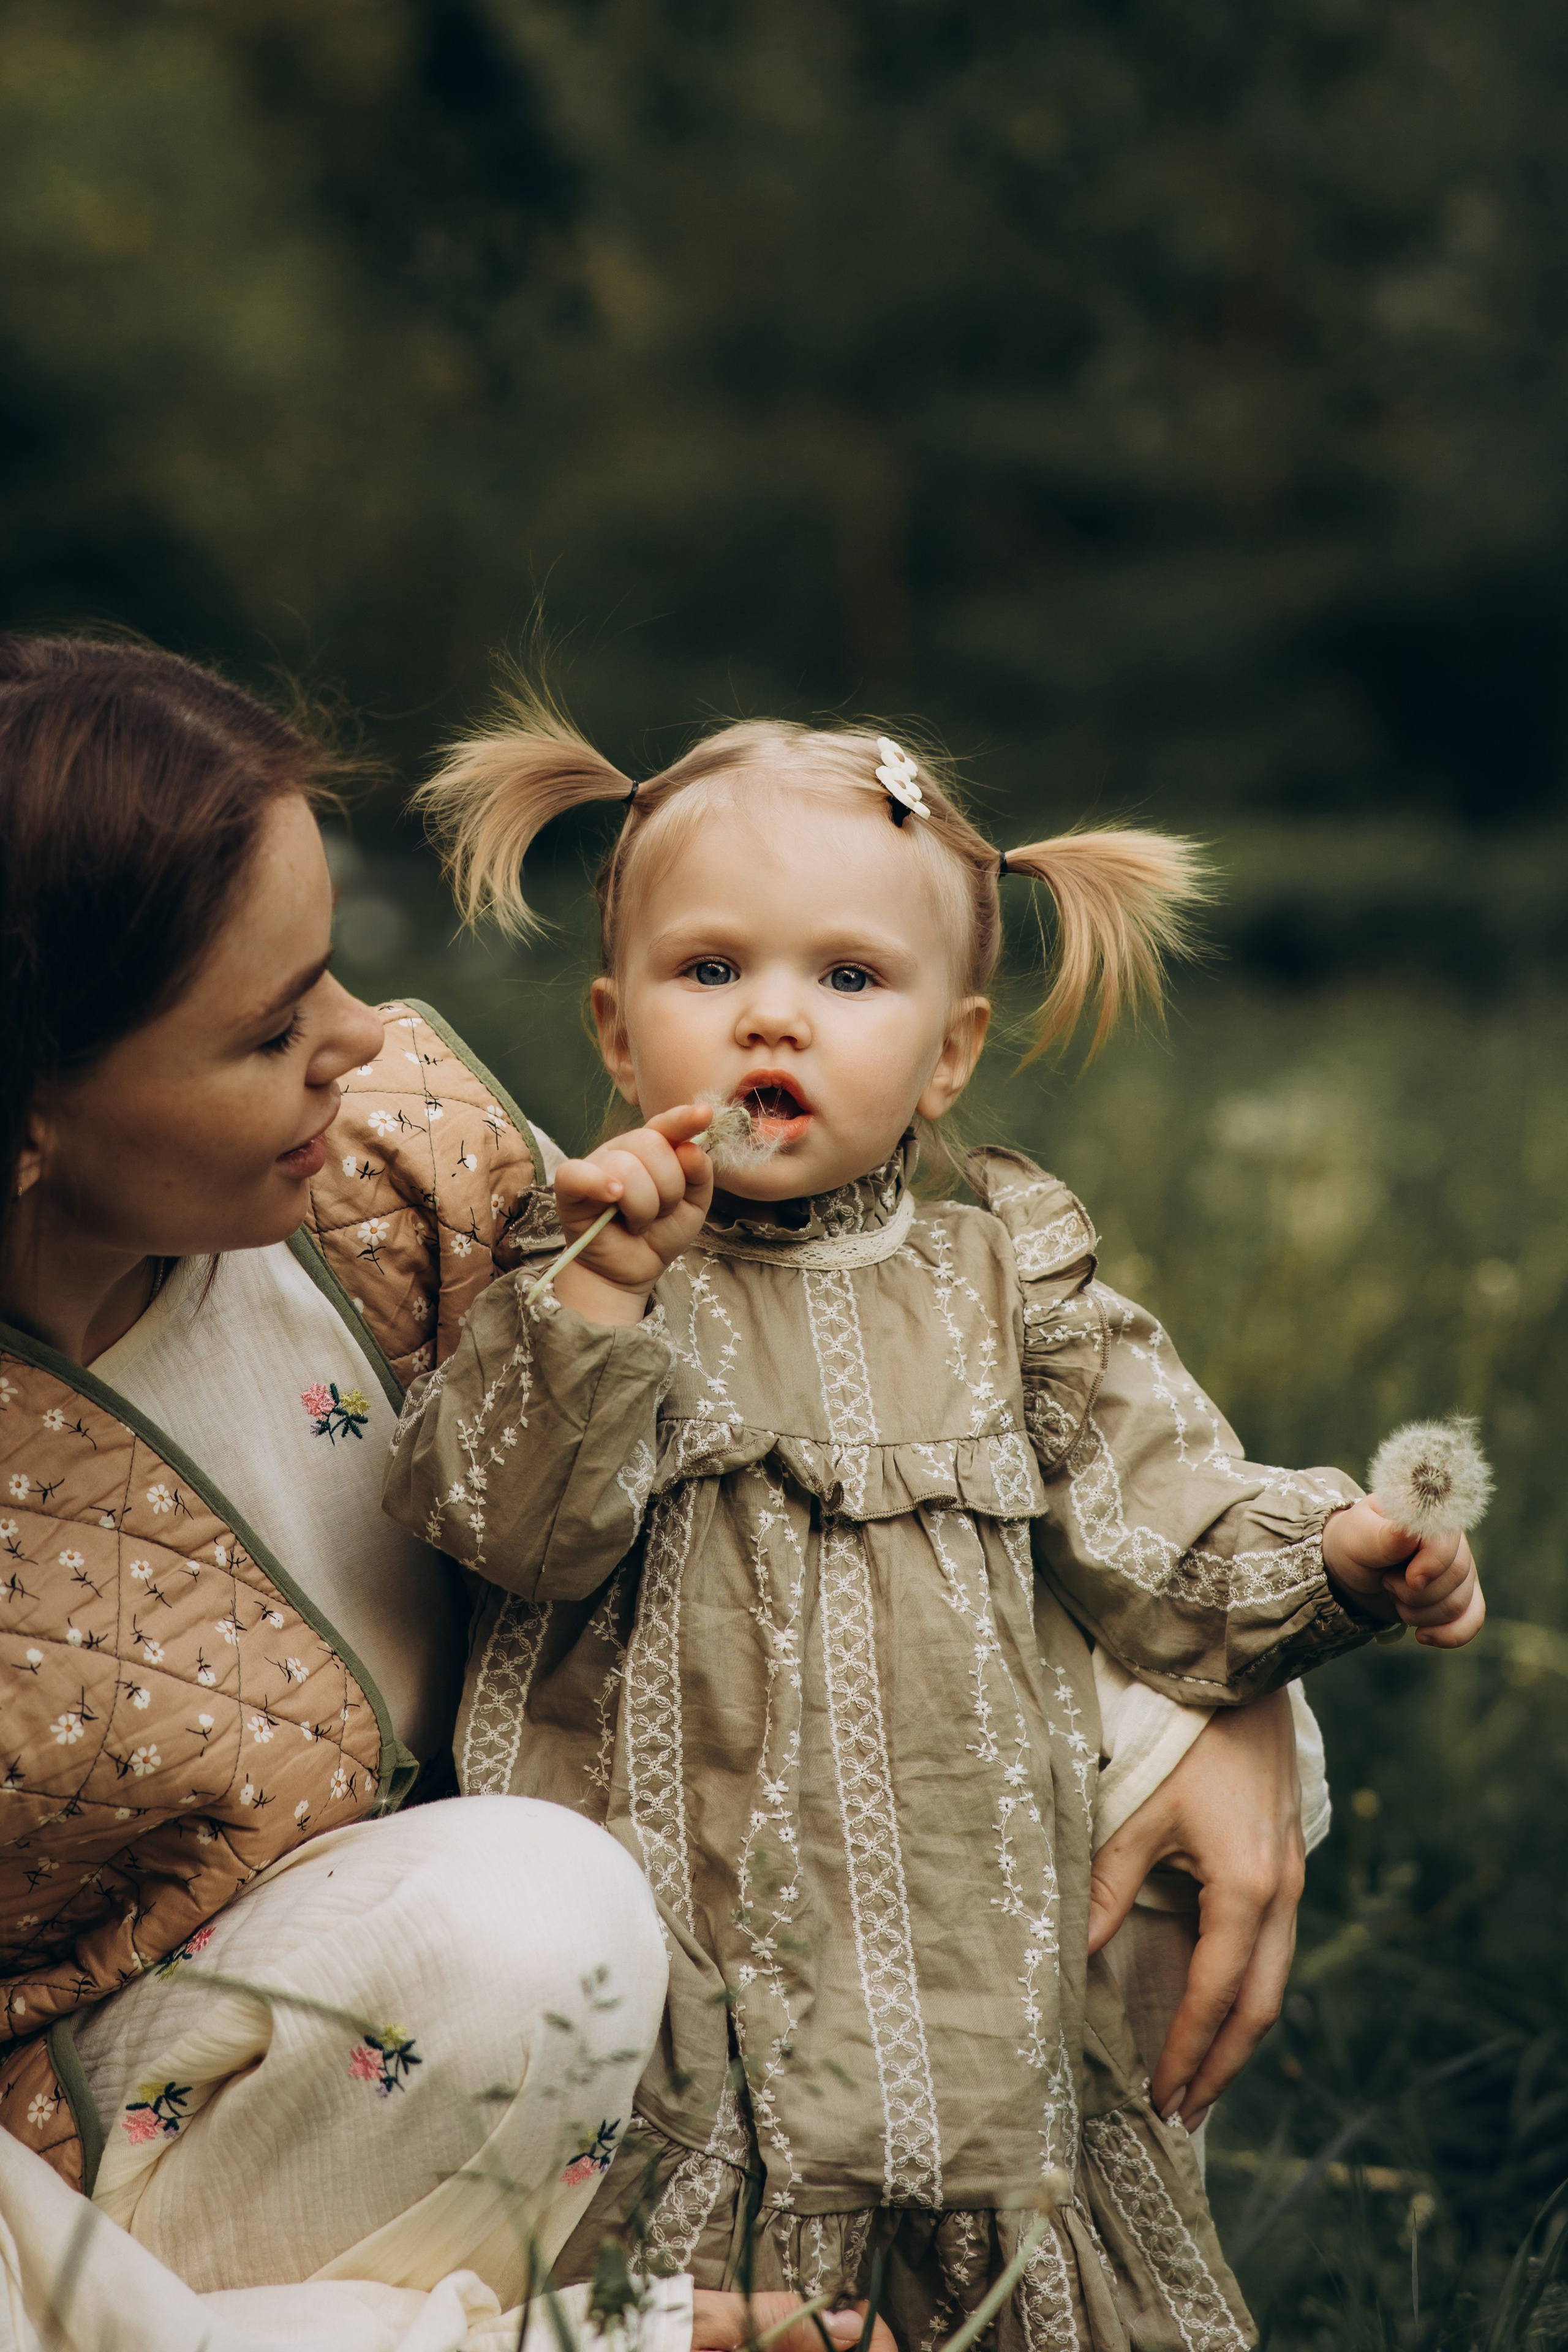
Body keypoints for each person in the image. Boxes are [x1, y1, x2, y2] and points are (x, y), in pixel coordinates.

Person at [385, 707, 1482, 2352]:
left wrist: (1335, 1555)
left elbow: (1162, 1524)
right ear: (617, 1035)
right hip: (681, 1990)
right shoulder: (581, 1274)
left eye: (848, 979)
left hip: (963, 1979)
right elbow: (505, 1524)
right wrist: (609, 1290)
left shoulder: (1011, 1292)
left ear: (950, 1053)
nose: (773, 1013)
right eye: (708, 972)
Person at [0, 636, 673, 2351]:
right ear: (29, 1128)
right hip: (115, 2194)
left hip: (545, 2076)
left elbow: (796, 1431)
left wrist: (1211, 1706)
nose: (364, 1038)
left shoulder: (394, 1158)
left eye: (336, 970)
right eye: (271, 1026)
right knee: (525, 1926)